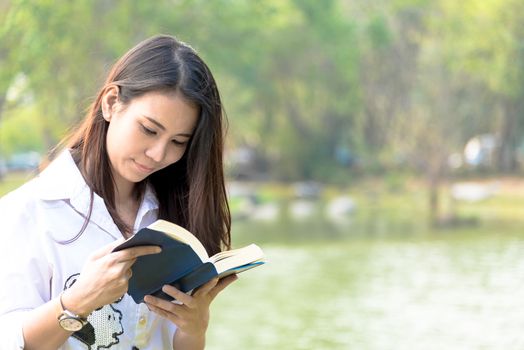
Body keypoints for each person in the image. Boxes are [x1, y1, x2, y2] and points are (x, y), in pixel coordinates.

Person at [0, 34, 237, 350]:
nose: (158, 153)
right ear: (111, 103)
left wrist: (194, 330)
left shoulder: (172, 215)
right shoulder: (27, 212)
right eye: (149, 130)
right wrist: (78, 301)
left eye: (178, 142)